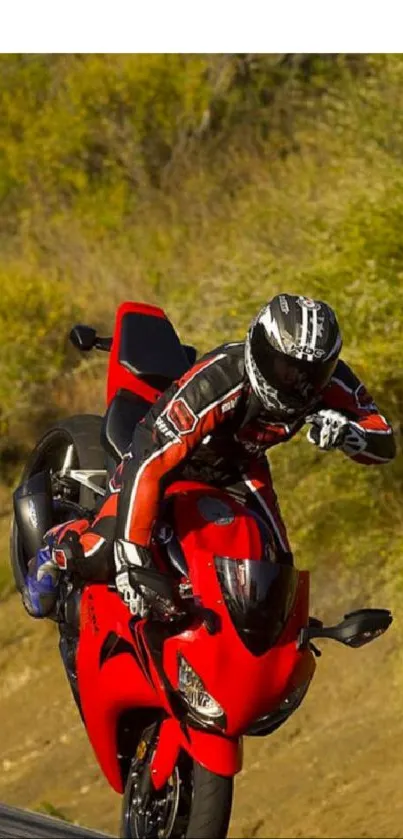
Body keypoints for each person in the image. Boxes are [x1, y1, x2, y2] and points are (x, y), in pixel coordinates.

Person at [22, 293, 396, 619]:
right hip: (165, 457)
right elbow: (151, 461)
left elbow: (384, 439)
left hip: (240, 466)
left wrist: (351, 435)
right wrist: (132, 559)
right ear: (260, 347)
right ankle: (53, 551)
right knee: (104, 555)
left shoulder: (330, 380)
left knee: (275, 573)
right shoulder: (218, 381)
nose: (296, 381)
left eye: (310, 373)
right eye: (285, 367)